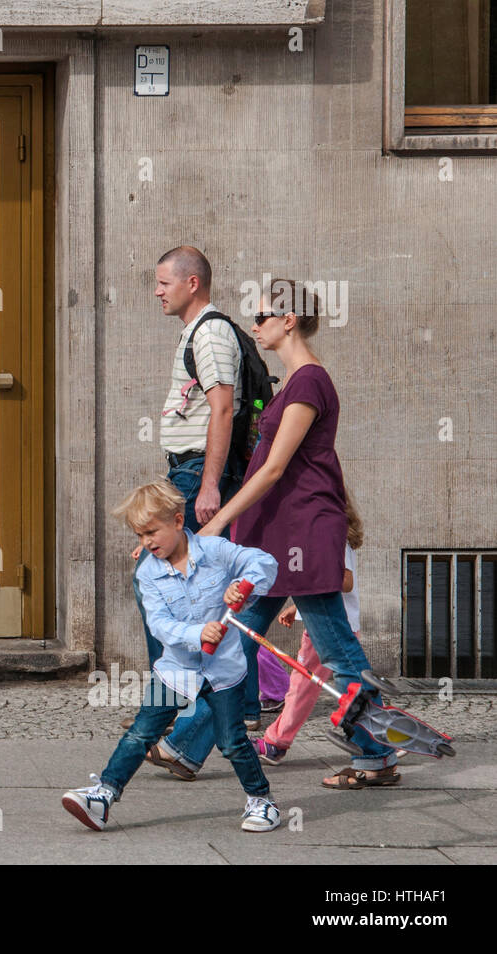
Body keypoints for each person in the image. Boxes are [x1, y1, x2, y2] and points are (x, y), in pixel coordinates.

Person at [145, 281, 400, 789]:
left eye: (262, 317)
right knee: (233, 638)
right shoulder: (293, 384)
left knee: (336, 650)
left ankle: (376, 754)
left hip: (302, 537)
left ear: (290, 320)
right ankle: (184, 746)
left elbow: (273, 469)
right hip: (276, 541)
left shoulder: (309, 383)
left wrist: (216, 522)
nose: (254, 326)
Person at [61, 479, 280, 833]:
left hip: (223, 671)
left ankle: (262, 801)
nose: (146, 542)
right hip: (175, 672)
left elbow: (264, 562)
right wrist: (197, 633)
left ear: (178, 522)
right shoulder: (148, 572)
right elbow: (160, 625)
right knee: (140, 734)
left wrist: (245, 584)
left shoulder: (215, 550)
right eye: (139, 535)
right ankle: (103, 795)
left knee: (232, 741)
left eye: (151, 532)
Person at [126, 246, 244, 726]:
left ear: (191, 283)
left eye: (163, 282)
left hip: (197, 473)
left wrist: (209, 484)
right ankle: (231, 706)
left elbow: (222, 408)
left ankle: (175, 700)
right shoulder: (196, 332)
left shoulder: (211, 333)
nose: (157, 291)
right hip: (186, 471)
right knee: (193, 590)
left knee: (162, 584)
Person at [254, 494, 364, 765]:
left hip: (330, 627)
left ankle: (277, 742)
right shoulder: (327, 534)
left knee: (303, 687)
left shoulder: (332, 536)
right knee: (353, 687)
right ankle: (386, 734)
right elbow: (322, 590)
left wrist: (309, 572)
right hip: (330, 624)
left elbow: (346, 582)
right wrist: (298, 607)